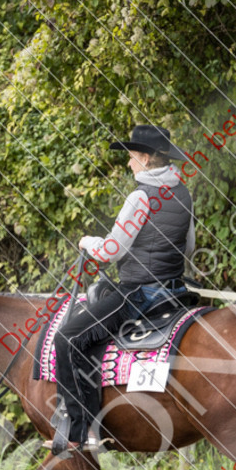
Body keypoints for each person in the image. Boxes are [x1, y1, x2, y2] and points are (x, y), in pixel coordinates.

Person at [53, 125, 195, 451]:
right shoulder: (183, 193)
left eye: (131, 156)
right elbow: (188, 248)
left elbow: (112, 251)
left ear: (145, 157)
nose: (129, 162)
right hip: (175, 292)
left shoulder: (140, 196)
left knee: (68, 338)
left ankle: (80, 431)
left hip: (139, 294)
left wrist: (87, 242)